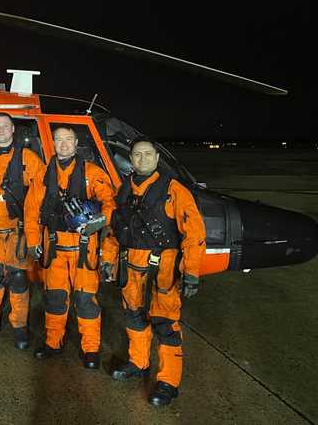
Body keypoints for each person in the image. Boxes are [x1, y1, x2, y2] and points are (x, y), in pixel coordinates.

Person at [110, 136, 206, 407]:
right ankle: (138, 363)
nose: (142, 159)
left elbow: (194, 233)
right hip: (131, 267)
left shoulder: (173, 190)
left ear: (157, 158)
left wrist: (191, 272)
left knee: (166, 327)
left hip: (161, 269)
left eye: (147, 154)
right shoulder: (124, 190)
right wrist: (108, 260)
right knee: (134, 318)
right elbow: (114, 229)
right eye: (137, 155)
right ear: (131, 158)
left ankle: (168, 382)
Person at [28, 126, 119, 369]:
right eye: (59, 140)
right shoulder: (44, 174)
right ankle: (52, 343)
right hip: (54, 247)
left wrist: (99, 221)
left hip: (83, 250)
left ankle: (91, 350)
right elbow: (31, 210)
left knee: (86, 301)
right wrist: (33, 242)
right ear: (53, 143)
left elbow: (110, 204)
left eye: (69, 139)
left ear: (76, 142)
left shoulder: (92, 173)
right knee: (54, 299)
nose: (64, 144)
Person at [0, 113, 45, 350]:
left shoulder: (29, 159)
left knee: (17, 279)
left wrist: (36, 235)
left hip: (19, 229)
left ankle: (19, 325)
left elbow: (41, 196)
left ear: (13, 129)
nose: (1, 130)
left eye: (5, 126)